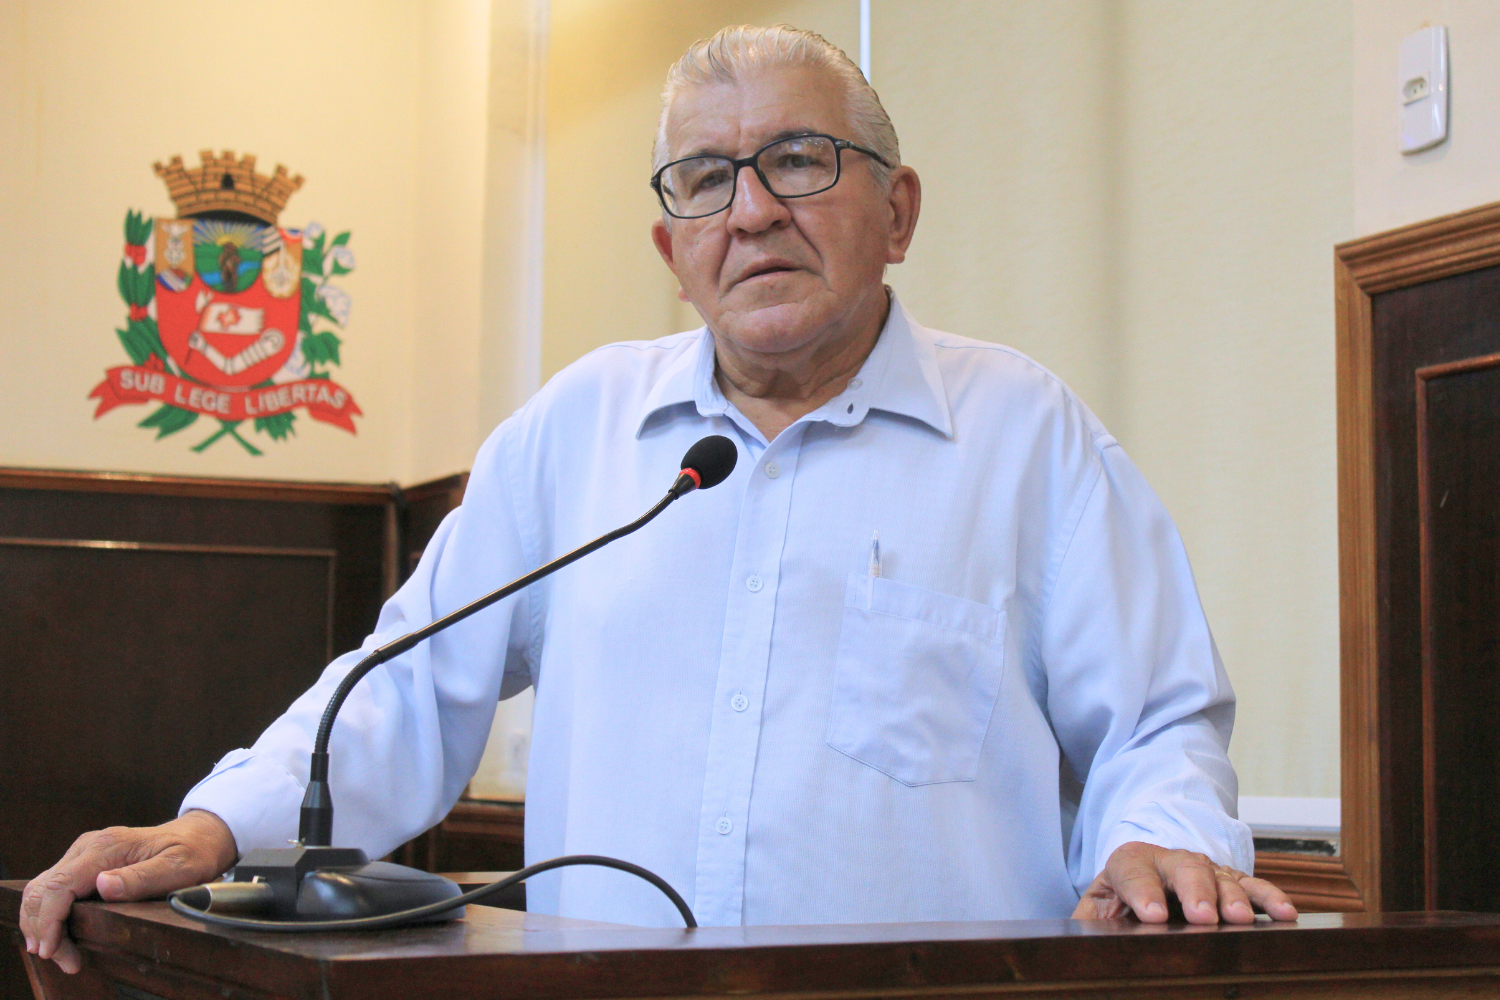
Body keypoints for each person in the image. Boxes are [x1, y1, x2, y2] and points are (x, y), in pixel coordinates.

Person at [22, 24, 1295, 974]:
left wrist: (1160, 839)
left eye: (800, 160)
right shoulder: (575, 431)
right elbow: (402, 689)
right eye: (704, 180)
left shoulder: (1029, 436)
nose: (753, 211)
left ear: (897, 211)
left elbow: (1155, 723)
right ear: (670, 249)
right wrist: (216, 824)